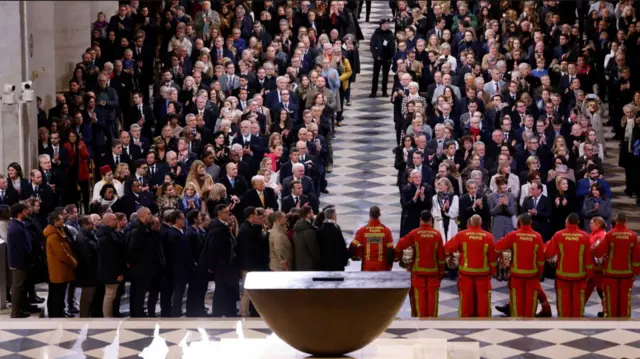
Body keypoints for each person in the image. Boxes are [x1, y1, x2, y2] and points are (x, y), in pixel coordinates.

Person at [394, 211, 445, 318]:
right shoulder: (437, 235)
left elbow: (399, 245)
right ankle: (432, 323)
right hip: (433, 273)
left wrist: (398, 257)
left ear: (420, 220)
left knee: (419, 300)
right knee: (432, 300)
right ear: (431, 221)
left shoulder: (414, 233)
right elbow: (441, 257)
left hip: (417, 273)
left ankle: (420, 323)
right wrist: (441, 272)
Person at [444, 215, 496, 317]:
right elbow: (492, 258)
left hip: (466, 275)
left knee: (466, 301)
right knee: (483, 301)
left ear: (470, 223)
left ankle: (466, 324)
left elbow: (447, 248)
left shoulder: (461, 235)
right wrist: (493, 271)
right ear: (480, 223)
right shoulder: (489, 236)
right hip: (483, 275)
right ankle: (483, 325)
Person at [494, 214, 545, 317]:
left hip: (516, 275)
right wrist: (539, 274)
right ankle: (529, 325)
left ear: (520, 222)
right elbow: (541, 260)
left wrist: (504, 257)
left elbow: (497, 247)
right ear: (531, 222)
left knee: (517, 302)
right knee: (530, 301)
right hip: (532, 275)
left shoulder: (513, 235)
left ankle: (518, 325)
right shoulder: (537, 236)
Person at [545, 213, 593, 318]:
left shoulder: (558, 235)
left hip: (562, 275)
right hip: (579, 275)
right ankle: (577, 321)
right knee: (578, 299)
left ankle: (563, 321)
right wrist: (589, 273)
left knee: (563, 299)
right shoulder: (585, 236)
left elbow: (549, 253)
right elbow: (588, 257)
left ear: (567, 222)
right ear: (578, 222)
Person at [593, 213, 640, 318]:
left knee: (611, 298)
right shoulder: (632, 236)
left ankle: (611, 320)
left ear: (616, 221)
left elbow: (600, 252)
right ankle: (624, 321)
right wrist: (636, 272)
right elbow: (636, 256)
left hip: (611, 273)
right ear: (626, 221)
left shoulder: (609, 235)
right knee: (625, 298)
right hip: (627, 273)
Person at [202, 204, 239, 317]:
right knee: (221, 289)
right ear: (219, 213)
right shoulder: (218, 229)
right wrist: (212, 266)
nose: (228, 214)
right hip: (221, 264)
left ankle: (227, 310)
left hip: (226, 264)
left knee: (226, 288)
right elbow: (212, 248)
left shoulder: (222, 226)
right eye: (226, 212)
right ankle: (218, 312)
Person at [127, 207, 165, 318]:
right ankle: (137, 314)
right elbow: (132, 250)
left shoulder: (145, 229)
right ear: (142, 216)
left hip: (145, 268)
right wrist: (136, 264)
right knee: (138, 294)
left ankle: (139, 313)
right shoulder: (138, 230)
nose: (151, 216)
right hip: (140, 269)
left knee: (140, 293)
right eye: (149, 214)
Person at [44, 210, 78, 318]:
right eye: (60, 219)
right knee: (57, 294)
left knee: (59, 293)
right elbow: (62, 254)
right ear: (55, 221)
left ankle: (59, 312)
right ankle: (56, 314)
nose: (62, 220)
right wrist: (74, 263)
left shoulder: (59, 231)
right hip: (58, 269)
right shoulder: (53, 236)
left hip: (61, 269)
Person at [237, 207, 268, 317]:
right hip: (248, 266)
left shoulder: (250, 227)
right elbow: (247, 250)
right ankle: (244, 313)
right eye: (256, 214)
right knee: (247, 291)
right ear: (251, 215)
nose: (258, 216)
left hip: (251, 265)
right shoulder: (246, 229)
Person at [97, 213, 125, 318]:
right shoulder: (106, 238)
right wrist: (118, 273)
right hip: (110, 272)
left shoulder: (111, 234)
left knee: (111, 295)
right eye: (114, 220)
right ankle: (107, 318)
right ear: (108, 222)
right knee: (110, 295)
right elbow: (111, 258)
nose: (116, 221)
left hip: (111, 271)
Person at [7, 202, 33, 318]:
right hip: (19, 262)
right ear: (20, 213)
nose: (27, 212)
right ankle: (15, 312)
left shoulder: (19, 225)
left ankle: (20, 309)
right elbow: (20, 247)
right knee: (17, 286)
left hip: (22, 261)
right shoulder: (15, 228)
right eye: (25, 210)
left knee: (20, 286)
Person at [350, 206, 394, 271]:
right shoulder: (386, 231)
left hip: (367, 267)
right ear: (379, 214)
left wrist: (354, 256)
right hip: (382, 266)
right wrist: (389, 266)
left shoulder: (362, 230)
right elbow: (390, 251)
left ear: (369, 215)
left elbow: (353, 246)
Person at [166, 210, 193, 318]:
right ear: (176, 220)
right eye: (182, 218)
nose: (184, 220)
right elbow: (178, 253)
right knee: (178, 291)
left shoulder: (180, 232)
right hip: (178, 268)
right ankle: (176, 312)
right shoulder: (173, 234)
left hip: (182, 267)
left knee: (180, 291)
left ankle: (178, 310)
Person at [73, 215, 99, 318]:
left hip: (90, 272)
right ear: (83, 225)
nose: (92, 224)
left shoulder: (88, 235)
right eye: (90, 223)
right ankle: (84, 317)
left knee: (89, 296)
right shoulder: (82, 237)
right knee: (86, 297)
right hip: (87, 273)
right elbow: (85, 257)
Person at [369, 18, 395, 97]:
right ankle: (373, 91)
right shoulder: (376, 33)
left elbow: (393, 45)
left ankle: (384, 91)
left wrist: (391, 56)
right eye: (386, 23)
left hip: (387, 57)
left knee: (385, 75)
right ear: (382, 25)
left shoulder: (390, 33)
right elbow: (372, 45)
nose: (388, 25)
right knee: (376, 75)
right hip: (378, 58)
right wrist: (376, 56)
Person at [293, 206, 321, 271]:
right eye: (312, 213)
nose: (313, 215)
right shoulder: (309, 232)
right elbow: (314, 251)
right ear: (308, 215)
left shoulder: (297, 229)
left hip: (300, 264)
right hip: (309, 265)